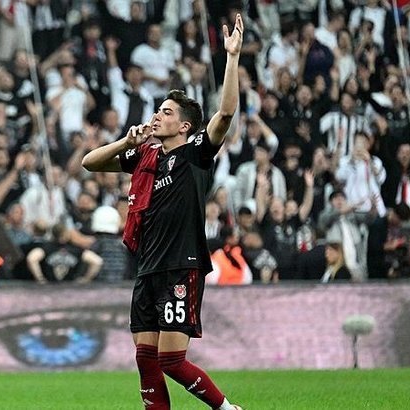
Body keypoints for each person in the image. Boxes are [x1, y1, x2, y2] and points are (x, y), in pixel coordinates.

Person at [81, 14, 245, 410]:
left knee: (171, 360)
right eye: (159, 109)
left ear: (186, 126)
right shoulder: (145, 157)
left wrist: (231, 58)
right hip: (148, 267)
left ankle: (228, 409)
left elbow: (225, 114)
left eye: (167, 112)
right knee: (145, 359)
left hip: (180, 264)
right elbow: (90, 162)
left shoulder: (195, 154)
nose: (158, 115)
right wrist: (126, 142)